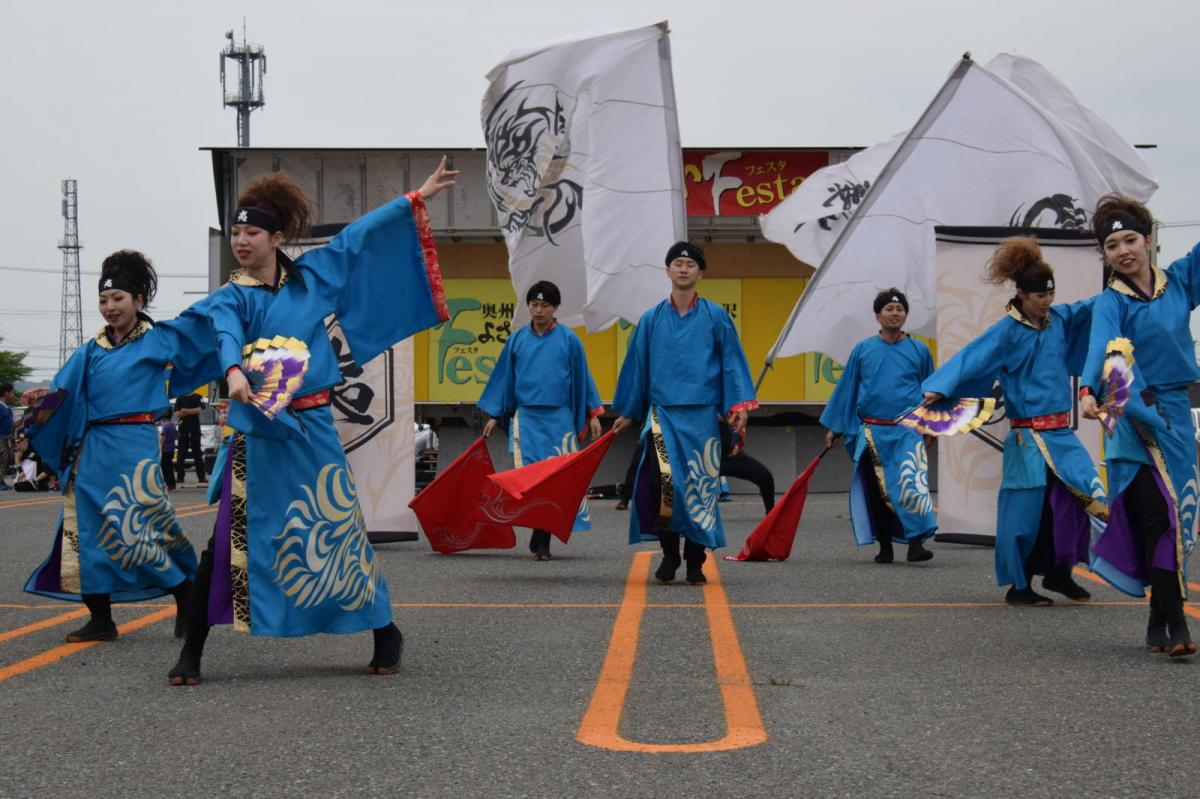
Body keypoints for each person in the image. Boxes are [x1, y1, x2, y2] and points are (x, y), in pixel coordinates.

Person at [168, 159, 456, 686]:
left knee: (338, 531)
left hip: (313, 426)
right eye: (235, 231)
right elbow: (225, 332)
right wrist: (232, 372)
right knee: (225, 539)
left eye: (251, 231)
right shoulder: (232, 296)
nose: (240, 240)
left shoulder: (315, 279)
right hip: (258, 433)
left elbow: (360, 237)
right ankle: (194, 651)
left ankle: (385, 630)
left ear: (276, 237)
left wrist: (417, 197)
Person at [23, 251, 212, 642]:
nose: (110, 307)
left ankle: (184, 592)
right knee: (87, 529)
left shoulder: (159, 339)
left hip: (135, 444)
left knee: (142, 528)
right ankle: (101, 618)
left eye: (118, 299)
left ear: (139, 300)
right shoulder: (90, 349)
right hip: (91, 448)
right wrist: (44, 399)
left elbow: (203, 336)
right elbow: (64, 392)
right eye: (104, 300)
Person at [922, 237, 1103, 605]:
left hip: (1061, 435)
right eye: (1040, 296)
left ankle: (1060, 573)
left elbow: (1093, 309)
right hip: (1027, 438)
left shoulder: (1060, 320)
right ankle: (1019, 586)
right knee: (1023, 516)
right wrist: (939, 388)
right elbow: (972, 358)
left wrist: (1121, 287)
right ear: (1022, 294)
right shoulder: (1006, 331)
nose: (1047, 302)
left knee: (1077, 503)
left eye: (1050, 294)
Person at [1079, 195, 1200, 657]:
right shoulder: (1112, 301)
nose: (1123, 250)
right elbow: (1100, 348)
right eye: (1112, 245)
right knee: (1159, 519)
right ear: (1105, 254)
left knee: (1180, 520)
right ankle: (1176, 625)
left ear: (1148, 240)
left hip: (1174, 416)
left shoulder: (1181, 281)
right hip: (1130, 413)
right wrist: (1090, 392)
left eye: (1130, 239)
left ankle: (1156, 614)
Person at [613, 242, 758, 585]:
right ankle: (669, 554)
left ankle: (695, 560)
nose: (683, 269)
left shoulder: (715, 316)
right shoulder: (650, 319)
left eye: (690, 265)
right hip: (663, 418)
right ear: (668, 271)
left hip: (702, 420)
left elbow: (732, 364)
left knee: (700, 488)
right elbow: (637, 367)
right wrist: (631, 412)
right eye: (677, 263)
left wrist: (737, 406)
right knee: (663, 487)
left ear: (700, 273)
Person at [478, 281, 603, 560]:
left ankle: (542, 536)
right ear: (528, 307)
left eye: (545, 305)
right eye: (534, 305)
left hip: (559, 420)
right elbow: (504, 379)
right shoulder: (517, 339)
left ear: (555, 308)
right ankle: (541, 533)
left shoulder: (570, 340)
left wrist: (592, 413)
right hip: (528, 420)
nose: (538, 310)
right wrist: (496, 416)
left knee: (556, 480)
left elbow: (583, 378)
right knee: (531, 481)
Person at [821, 289, 937, 564]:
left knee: (912, 486)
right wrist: (835, 427)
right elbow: (847, 390)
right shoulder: (863, 349)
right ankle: (885, 546)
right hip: (872, 432)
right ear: (877, 316)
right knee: (877, 490)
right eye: (889, 309)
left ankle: (915, 544)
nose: (895, 313)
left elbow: (931, 391)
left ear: (906, 315)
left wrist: (931, 426)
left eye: (899, 309)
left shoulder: (920, 350)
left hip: (909, 430)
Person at [718, 418, 776, 514]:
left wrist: (737, 444)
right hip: (707, 457)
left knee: (765, 476)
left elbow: (738, 429)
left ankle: (771, 514)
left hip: (733, 457)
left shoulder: (736, 410)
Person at [174, 391, 206, 485]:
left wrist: (185, 410)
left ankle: (201, 477)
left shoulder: (198, 397)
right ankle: (180, 477)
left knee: (197, 454)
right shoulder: (179, 398)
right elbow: (178, 414)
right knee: (181, 453)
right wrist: (192, 411)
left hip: (195, 428)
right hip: (183, 428)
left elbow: (199, 410)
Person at [159, 411, 177, 491]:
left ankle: (169, 484)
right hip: (171, 448)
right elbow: (176, 436)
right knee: (169, 467)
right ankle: (172, 484)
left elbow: (163, 438)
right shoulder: (172, 425)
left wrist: (159, 447)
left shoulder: (165, 426)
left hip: (165, 450)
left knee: (165, 468)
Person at [0, 382, 13, 490]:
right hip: (0, 438)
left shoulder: (6, 407)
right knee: (2, 458)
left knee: (5, 459)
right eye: (12, 392)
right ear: (6, 393)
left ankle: (1, 480)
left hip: (5, 438)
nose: (13, 395)